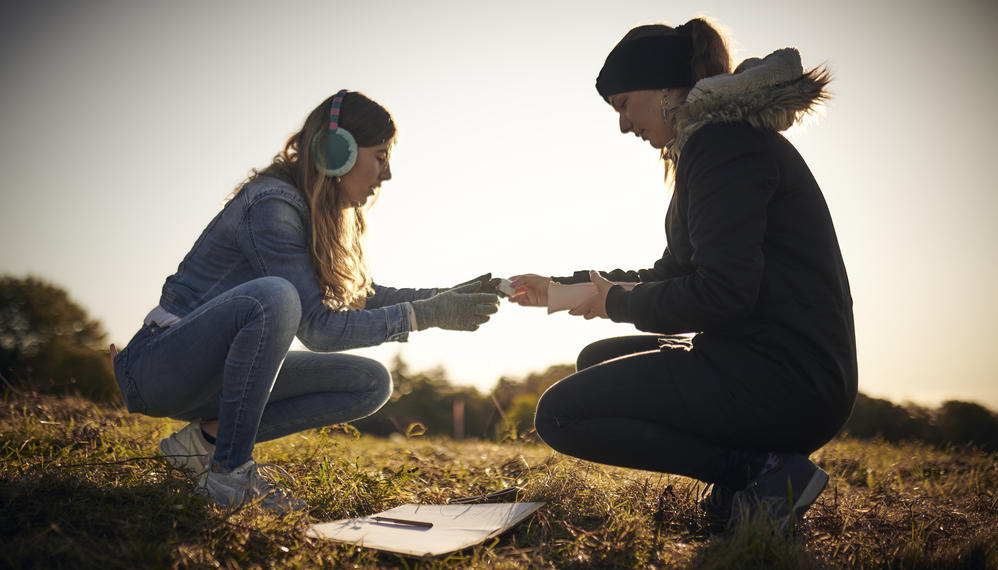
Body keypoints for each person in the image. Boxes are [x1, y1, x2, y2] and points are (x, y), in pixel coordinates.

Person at [511, 19, 856, 530]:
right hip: (771, 368)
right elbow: (673, 273)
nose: (625, 125)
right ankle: (753, 471)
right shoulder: (713, 145)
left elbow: (722, 294)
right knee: (593, 360)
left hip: (789, 381)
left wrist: (614, 302)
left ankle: (760, 472)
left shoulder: (724, 146)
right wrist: (562, 291)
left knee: (560, 415)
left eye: (624, 103)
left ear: (667, 87)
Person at [112, 90, 500, 513]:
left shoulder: (312, 213)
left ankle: (201, 443)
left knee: (371, 382)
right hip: (160, 368)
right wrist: (423, 316)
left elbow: (362, 297)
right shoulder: (272, 206)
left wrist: (445, 299)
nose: (386, 175)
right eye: (381, 156)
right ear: (339, 152)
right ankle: (228, 474)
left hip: (214, 377)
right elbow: (317, 329)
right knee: (275, 297)